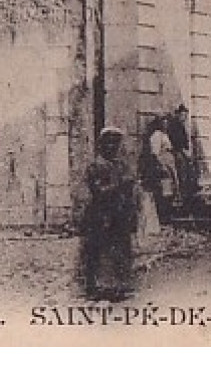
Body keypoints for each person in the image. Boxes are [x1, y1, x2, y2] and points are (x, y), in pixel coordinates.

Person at [79, 127, 140, 301]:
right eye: (109, 142)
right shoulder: (96, 166)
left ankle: (119, 285)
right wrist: (119, 186)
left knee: (121, 249)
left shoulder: (120, 165)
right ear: (102, 145)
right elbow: (97, 190)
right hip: (101, 213)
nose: (112, 146)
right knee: (98, 250)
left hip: (119, 212)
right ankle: (96, 287)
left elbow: (130, 185)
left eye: (116, 142)